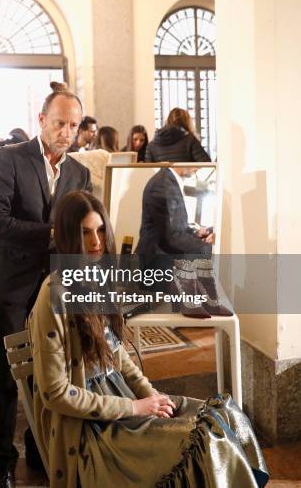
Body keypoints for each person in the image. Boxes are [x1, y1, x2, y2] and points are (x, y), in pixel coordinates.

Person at [28, 190, 268, 488]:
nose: (96, 242)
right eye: (85, 233)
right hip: (91, 434)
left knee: (226, 414)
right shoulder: (51, 298)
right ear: (66, 237)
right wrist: (136, 408)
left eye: (101, 230)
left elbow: (119, 360)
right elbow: (55, 393)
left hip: (125, 408)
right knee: (207, 439)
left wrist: (152, 397)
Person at [0, 86, 92, 488]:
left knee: (48, 372)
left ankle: (38, 448)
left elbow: (82, 231)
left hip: (54, 287)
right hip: (10, 283)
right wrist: (50, 233)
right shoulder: (10, 159)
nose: (67, 131)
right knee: (7, 376)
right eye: (60, 122)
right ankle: (2, 464)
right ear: (41, 120)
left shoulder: (80, 173)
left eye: (74, 125)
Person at [137, 165, 230, 317]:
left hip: (163, 253)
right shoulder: (163, 185)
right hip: (157, 260)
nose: (199, 167)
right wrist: (209, 248)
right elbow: (172, 237)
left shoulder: (168, 181)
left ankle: (207, 302)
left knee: (202, 254)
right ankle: (202, 303)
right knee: (204, 254)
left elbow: (174, 227)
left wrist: (196, 233)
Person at [145, 107, 211, 163]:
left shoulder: (152, 145)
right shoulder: (190, 140)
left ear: (168, 120)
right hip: (186, 177)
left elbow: (148, 172)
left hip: (162, 178)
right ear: (187, 122)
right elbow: (207, 165)